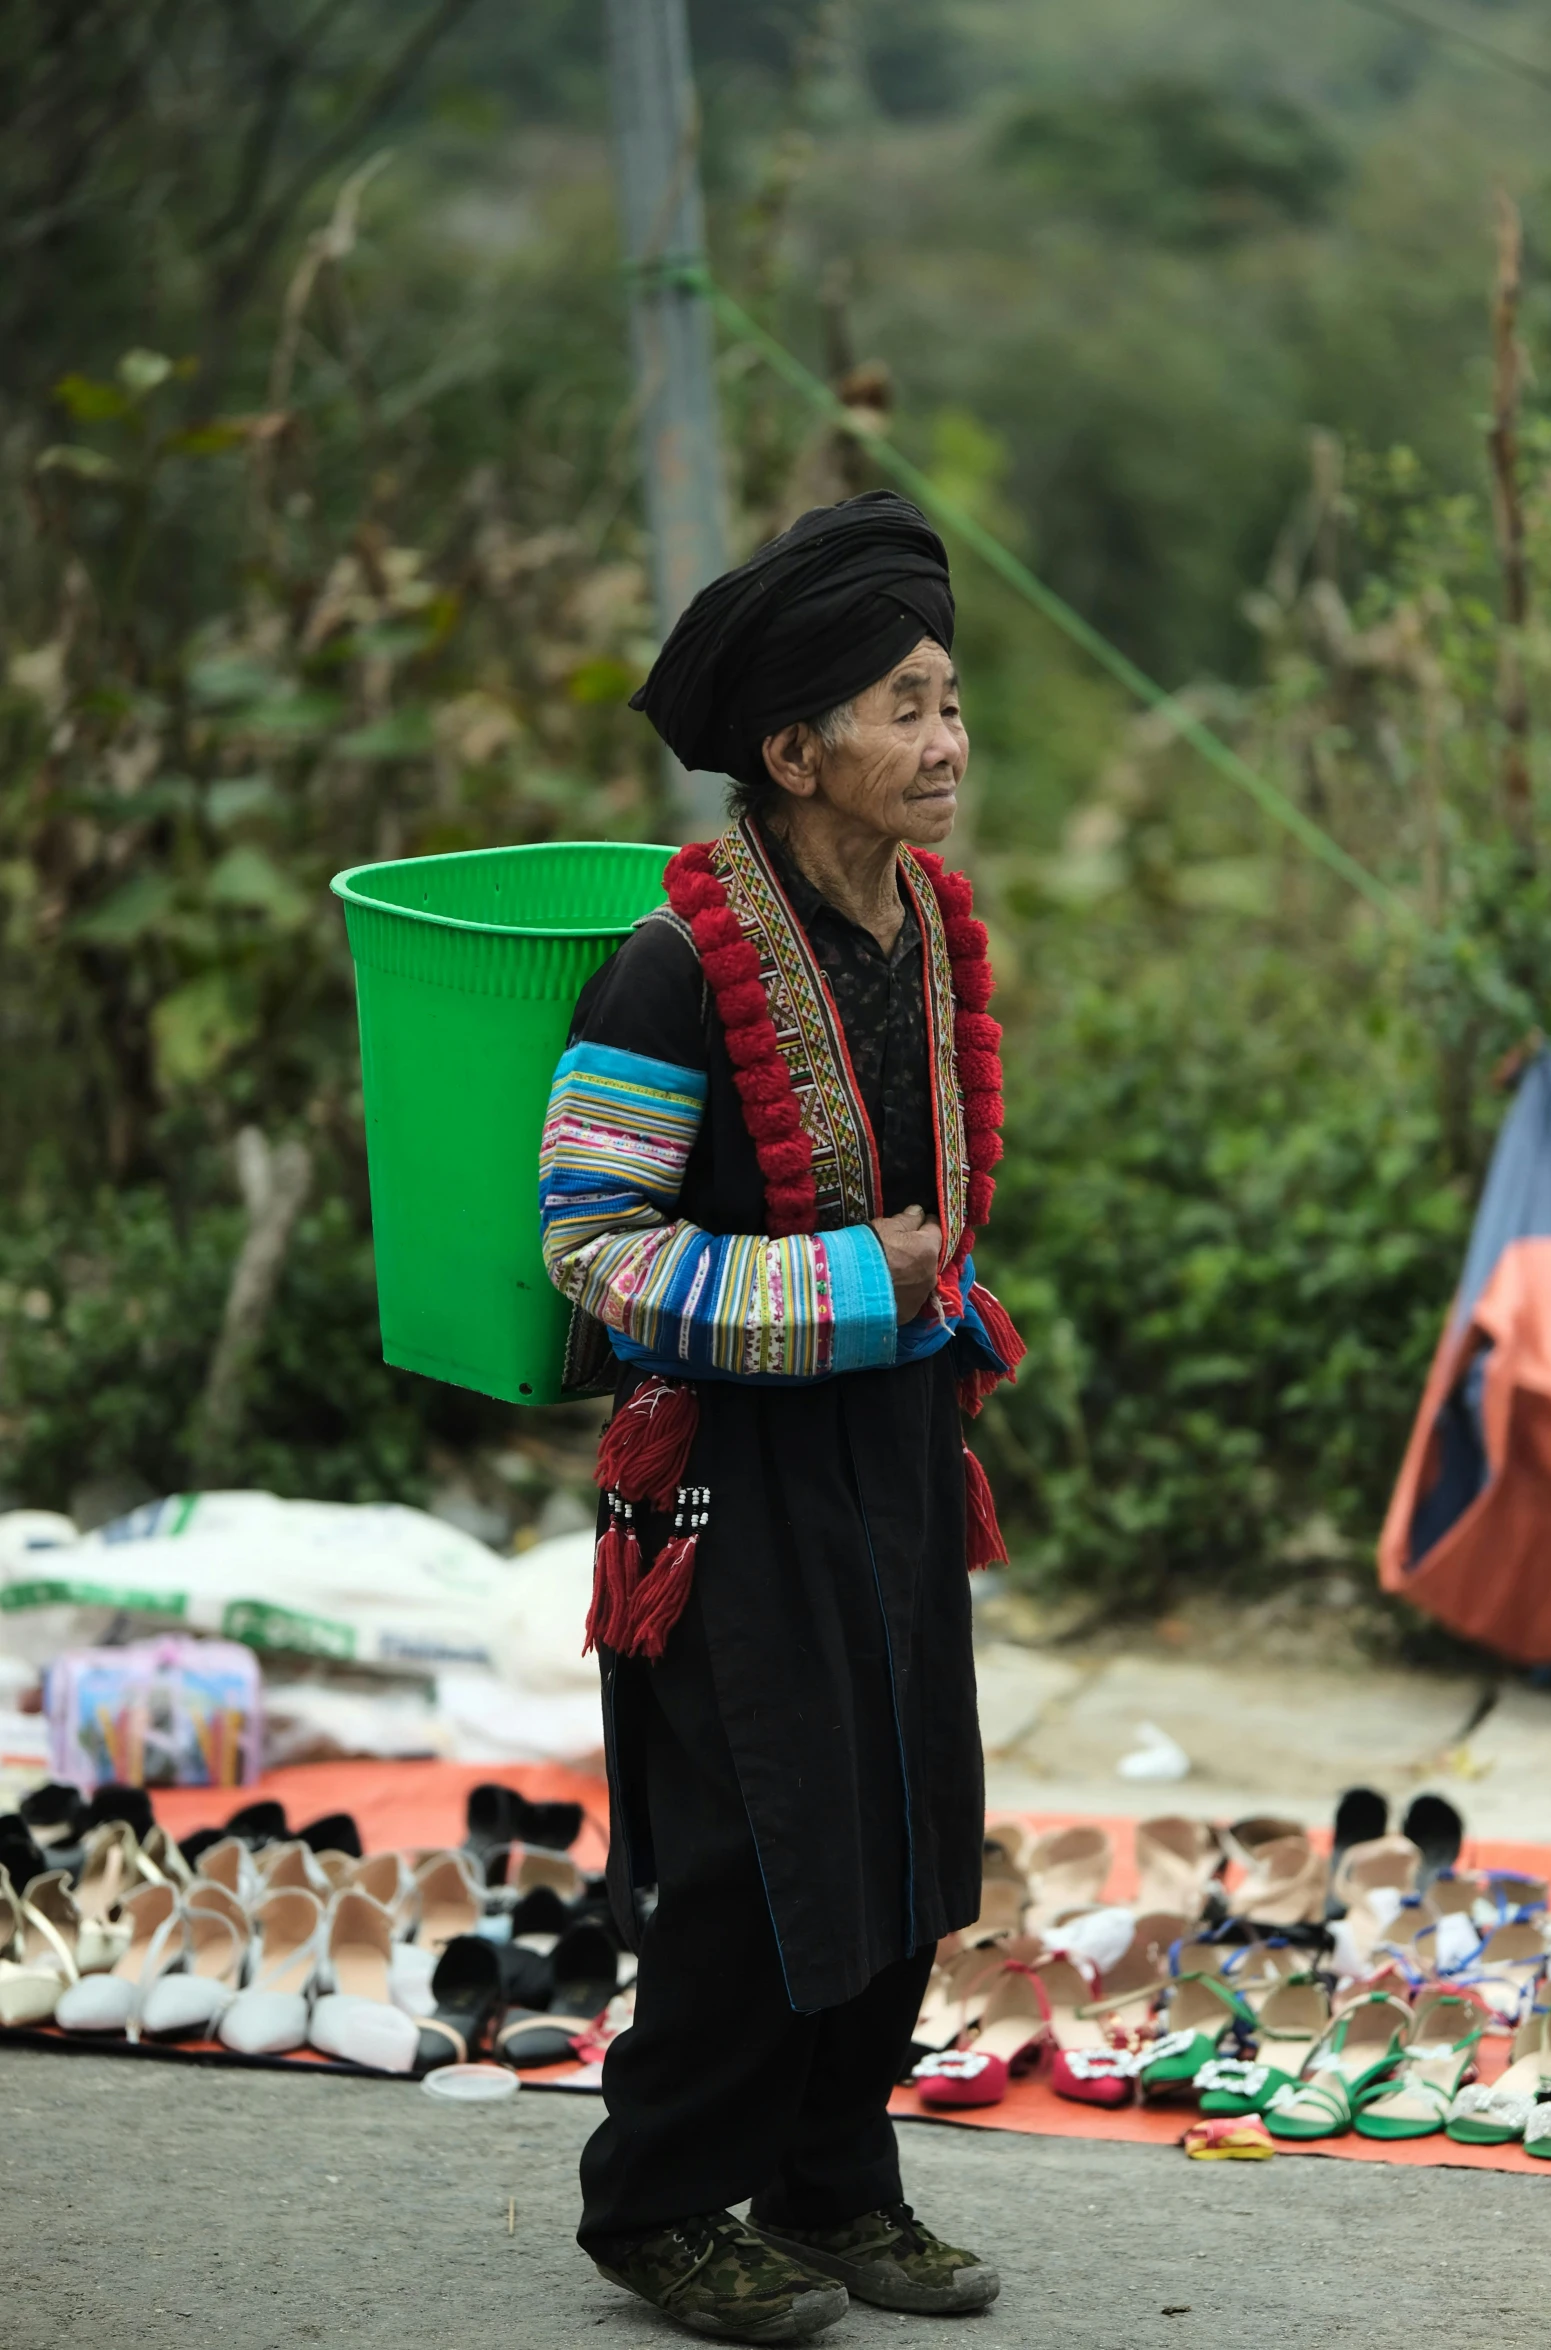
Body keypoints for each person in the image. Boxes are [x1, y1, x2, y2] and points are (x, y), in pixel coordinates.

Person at [538, 490, 1024, 2343]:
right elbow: (588, 1247)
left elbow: (932, 1205)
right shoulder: (668, 972)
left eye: (953, 701)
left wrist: (926, 1296)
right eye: (905, 705)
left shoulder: (914, 929)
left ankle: (837, 2180)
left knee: (908, 1809)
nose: (947, 742)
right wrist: (852, 1288)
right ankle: (658, 2200)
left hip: (896, 1449)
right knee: (757, 1838)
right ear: (791, 746)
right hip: (725, 1471)